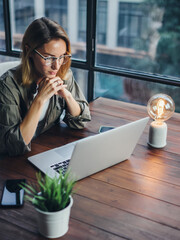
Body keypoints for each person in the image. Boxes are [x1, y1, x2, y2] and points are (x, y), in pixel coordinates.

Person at [0, 17, 91, 156]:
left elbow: (81, 121)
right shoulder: (7, 86)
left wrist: (67, 95)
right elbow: (13, 146)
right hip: (13, 162)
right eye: (48, 58)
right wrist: (40, 100)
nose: (57, 65)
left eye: (62, 56)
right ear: (29, 51)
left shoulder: (63, 74)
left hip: (45, 149)